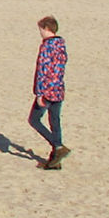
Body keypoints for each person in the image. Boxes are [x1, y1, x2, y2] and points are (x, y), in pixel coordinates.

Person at [30, 16, 69, 169]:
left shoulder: (47, 46)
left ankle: (58, 147)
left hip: (48, 90)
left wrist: (39, 93)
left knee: (34, 120)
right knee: (55, 121)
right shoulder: (61, 44)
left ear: (47, 29)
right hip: (59, 88)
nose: (40, 33)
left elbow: (43, 70)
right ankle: (55, 160)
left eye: (41, 30)